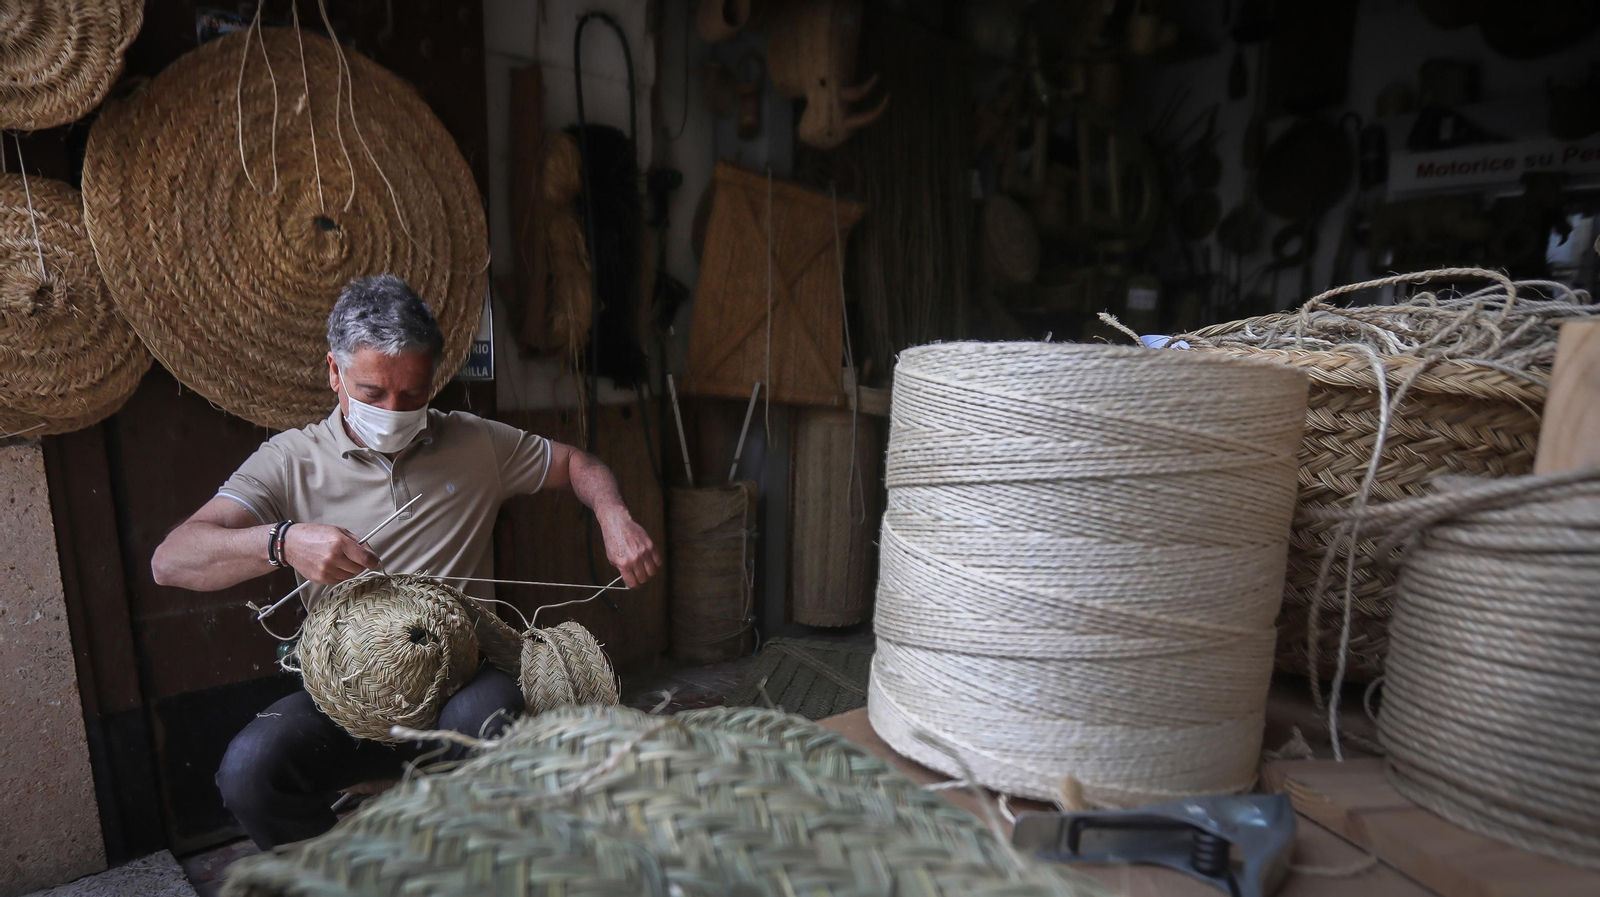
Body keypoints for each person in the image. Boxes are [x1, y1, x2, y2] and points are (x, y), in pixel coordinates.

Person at [150, 274, 662, 848]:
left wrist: (614, 515)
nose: (394, 411)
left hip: (464, 682)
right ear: (334, 373)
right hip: (351, 695)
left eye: (413, 394)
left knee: (486, 725)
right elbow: (172, 560)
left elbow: (578, 465)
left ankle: (473, 868)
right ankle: (342, 880)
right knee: (250, 771)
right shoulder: (290, 461)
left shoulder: (474, 444)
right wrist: (282, 541)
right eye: (372, 393)